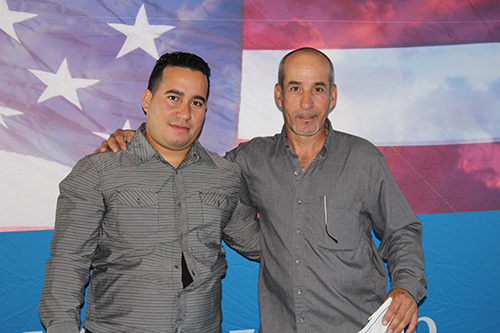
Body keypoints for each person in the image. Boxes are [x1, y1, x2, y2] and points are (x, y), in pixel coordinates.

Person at [99, 47, 427, 333]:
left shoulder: (362, 158)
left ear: (333, 96)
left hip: (359, 327)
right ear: (279, 95)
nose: (307, 103)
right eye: (295, 88)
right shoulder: (250, 159)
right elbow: (191, 168)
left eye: (318, 89)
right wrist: (139, 142)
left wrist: (406, 288)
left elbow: (401, 232)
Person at [39, 52, 260, 333]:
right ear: (147, 100)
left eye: (197, 102)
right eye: (173, 97)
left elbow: (261, 244)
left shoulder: (225, 175)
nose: (184, 113)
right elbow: (67, 268)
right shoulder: (97, 172)